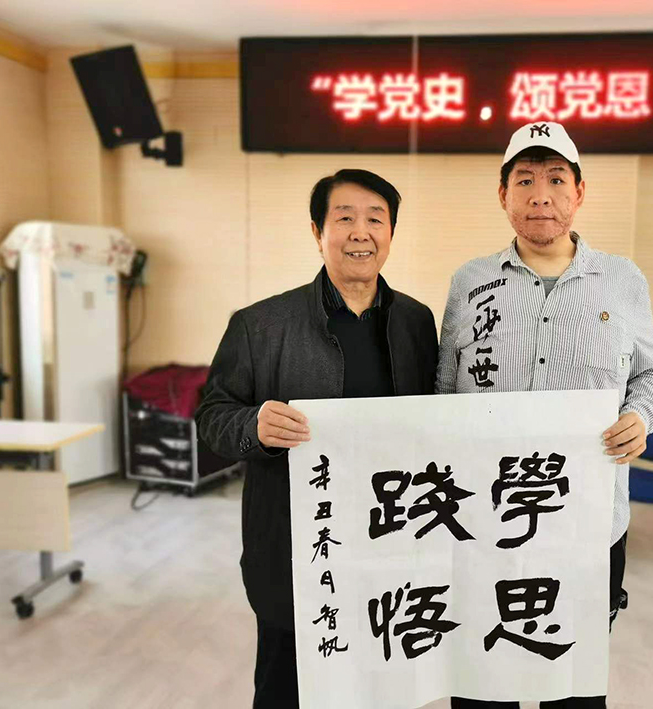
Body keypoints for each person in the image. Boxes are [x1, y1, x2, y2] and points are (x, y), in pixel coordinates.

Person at [437, 122, 653, 708]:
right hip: (486, 524)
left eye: (556, 179)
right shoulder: (470, 282)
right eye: (525, 180)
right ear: (503, 194)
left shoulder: (622, 280)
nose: (541, 195)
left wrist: (640, 418)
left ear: (580, 192)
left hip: (587, 524)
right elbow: (442, 392)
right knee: (482, 680)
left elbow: (651, 373)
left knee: (572, 687)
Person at [195, 169, 438, 708]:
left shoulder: (416, 322)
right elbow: (211, 416)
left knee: (380, 686)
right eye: (344, 218)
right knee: (286, 686)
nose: (360, 232)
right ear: (317, 231)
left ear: (391, 234)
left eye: (375, 219)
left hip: (389, 543)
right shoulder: (260, 325)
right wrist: (253, 426)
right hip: (295, 549)